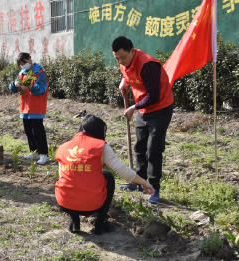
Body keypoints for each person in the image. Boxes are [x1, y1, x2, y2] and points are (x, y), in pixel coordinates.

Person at [55, 115, 155, 235]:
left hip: (65, 203)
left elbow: (62, 175)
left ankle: (74, 221)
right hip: (91, 206)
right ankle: (100, 224)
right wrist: (144, 182)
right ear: (98, 131)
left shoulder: (63, 147)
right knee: (108, 177)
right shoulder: (101, 146)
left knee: (69, 179)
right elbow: (122, 170)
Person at [112, 36, 174, 204]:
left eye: (123, 57)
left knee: (153, 150)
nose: (120, 61)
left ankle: (153, 188)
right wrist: (124, 82)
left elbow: (154, 96)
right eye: (117, 58)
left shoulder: (148, 65)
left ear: (133, 51)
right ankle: (139, 183)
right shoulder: (124, 62)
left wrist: (133, 107)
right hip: (143, 108)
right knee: (140, 147)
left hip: (159, 108)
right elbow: (128, 73)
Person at [9, 52, 50, 165]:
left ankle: (44, 154)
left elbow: (41, 89)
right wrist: (14, 84)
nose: (23, 66)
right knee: (28, 131)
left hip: (36, 107)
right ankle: (34, 151)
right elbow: (13, 89)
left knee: (38, 131)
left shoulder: (40, 73)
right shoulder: (22, 73)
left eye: (24, 63)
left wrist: (30, 86)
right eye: (21, 65)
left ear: (29, 59)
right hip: (25, 107)